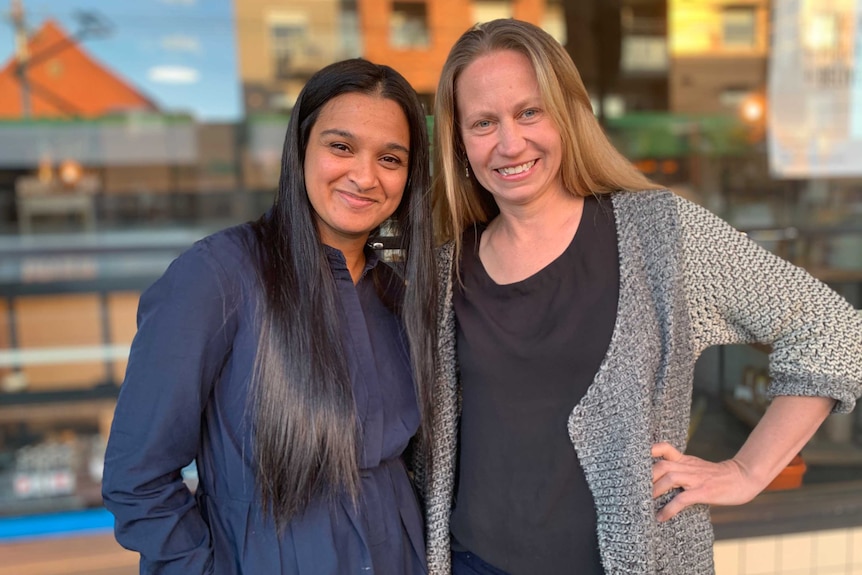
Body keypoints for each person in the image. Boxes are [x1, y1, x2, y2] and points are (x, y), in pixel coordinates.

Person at [420, 18, 862, 575]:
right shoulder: (445, 268)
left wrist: (748, 470)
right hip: (473, 563)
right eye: (483, 122)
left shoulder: (659, 237)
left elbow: (834, 330)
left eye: (529, 111)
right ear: (459, 141)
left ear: (567, 114)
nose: (510, 142)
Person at [101, 58, 436, 575]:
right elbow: (137, 478)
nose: (365, 176)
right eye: (341, 147)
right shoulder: (216, 277)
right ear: (300, 148)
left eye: (390, 158)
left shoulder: (397, 294)